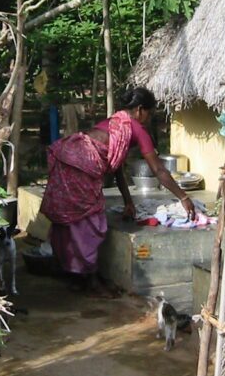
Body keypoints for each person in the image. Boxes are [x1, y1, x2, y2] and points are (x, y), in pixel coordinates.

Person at [39, 87, 196, 295]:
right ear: (140, 110)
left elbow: (116, 166)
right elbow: (158, 170)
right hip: (80, 165)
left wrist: (128, 201)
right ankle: (91, 281)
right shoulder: (136, 128)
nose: (149, 119)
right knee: (91, 221)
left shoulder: (114, 122)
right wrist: (183, 197)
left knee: (70, 219)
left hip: (67, 157)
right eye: (149, 113)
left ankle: (74, 277)